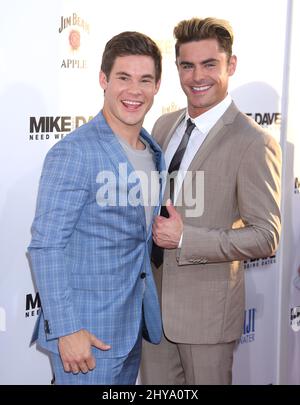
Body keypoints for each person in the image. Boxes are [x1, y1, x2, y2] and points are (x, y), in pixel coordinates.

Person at [140, 17, 282, 385]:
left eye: (209, 64)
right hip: (153, 309)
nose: (197, 76)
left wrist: (187, 238)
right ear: (177, 69)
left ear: (230, 65)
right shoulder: (163, 125)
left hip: (207, 319)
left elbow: (266, 236)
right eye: (187, 66)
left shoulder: (254, 142)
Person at [28, 31, 165, 385]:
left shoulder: (152, 150)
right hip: (86, 336)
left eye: (144, 80)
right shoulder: (76, 152)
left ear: (157, 86)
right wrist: (66, 329)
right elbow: (47, 246)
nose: (134, 91)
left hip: (131, 328)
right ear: (104, 80)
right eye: (123, 77)